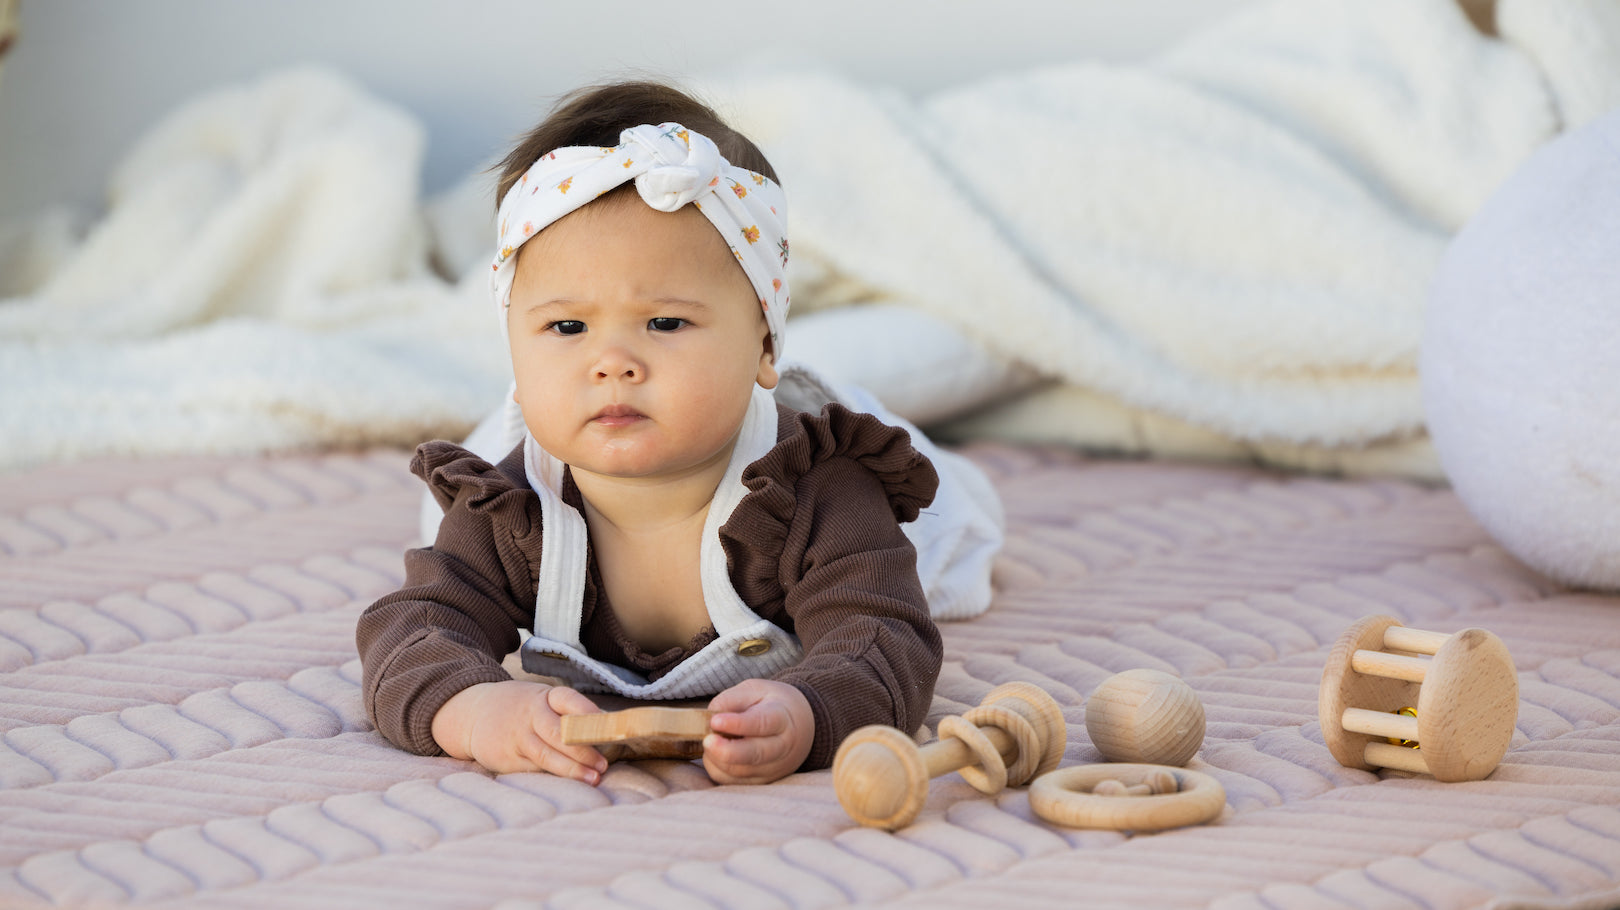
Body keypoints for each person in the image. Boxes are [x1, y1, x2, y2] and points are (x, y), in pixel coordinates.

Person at [356, 81, 945, 786]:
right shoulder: (512, 510)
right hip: (547, 436)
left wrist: (811, 711)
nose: (613, 363)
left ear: (763, 344)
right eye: (566, 327)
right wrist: (475, 709)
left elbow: (885, 636)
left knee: (955, 535)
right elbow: (412, 629)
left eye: (665, 323)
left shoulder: (818, 490)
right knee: (444, 509)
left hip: (833, 459)